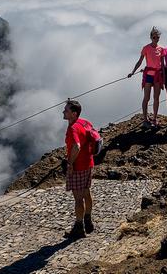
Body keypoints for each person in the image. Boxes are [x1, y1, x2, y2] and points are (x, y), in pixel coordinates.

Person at [62, 100, 96, 239]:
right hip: (89, 163)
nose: (63, 112)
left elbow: (76, 145)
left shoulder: (73, 128)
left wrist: (70, 163)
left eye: (66, 110)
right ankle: (88, 222)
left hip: (78, 167)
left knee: (78, 198)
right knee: (86, 192)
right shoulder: (85, 122)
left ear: (74, 113)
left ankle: (78, 227)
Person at [129, 27, 164, 128]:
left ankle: (154, 119)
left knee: (156, 98)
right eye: (154, 37)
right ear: (150, 37)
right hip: (148, 75)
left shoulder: (161, 49)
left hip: (157, 75)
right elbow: (140, 61)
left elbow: (162, 64)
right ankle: (145, 119)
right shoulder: (146, 48)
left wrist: (164, 77)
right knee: (147, 98)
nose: (156, 39)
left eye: (157, 37)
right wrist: (133, 72)